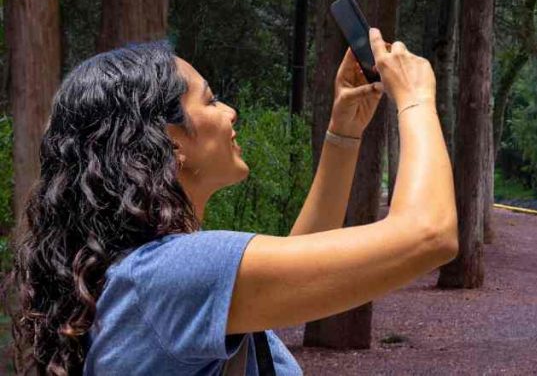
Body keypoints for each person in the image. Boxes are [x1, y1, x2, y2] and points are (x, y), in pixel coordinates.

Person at [6, 28, 458, 375]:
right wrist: (416, 99)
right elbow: (428, 234)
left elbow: (296, 267)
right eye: (211, 100)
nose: (230, 112)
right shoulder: (168, 274)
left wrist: (344, 134)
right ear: (170, 141)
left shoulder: (146, 276)